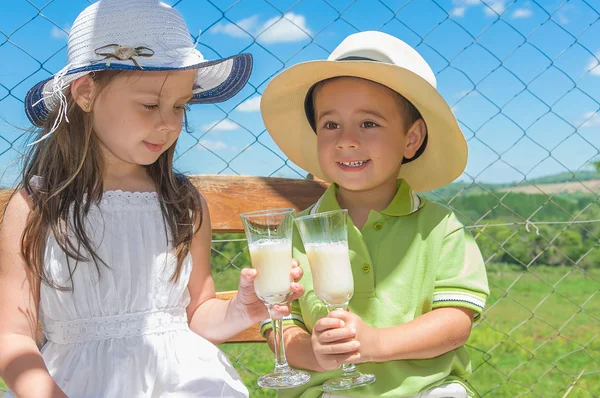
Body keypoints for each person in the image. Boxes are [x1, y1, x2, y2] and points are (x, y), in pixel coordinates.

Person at [0, 1, 304, 397]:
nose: (169, 123)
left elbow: (196, 315)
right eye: (150, 104)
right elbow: (11, 333)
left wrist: (239, 310)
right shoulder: (40, 205)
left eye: (179, 106)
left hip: (188, 383)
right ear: (86, 92)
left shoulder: (182, 202)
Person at [259, 31, 490, 397]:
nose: (346, 139)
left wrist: (375, 344)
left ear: (411, 139)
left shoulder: (441, 229)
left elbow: (455, 322)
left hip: (425, 388)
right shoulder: (296, 234)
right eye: (330, 124)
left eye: (368, 123)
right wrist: (315, 354)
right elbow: (280, 327)